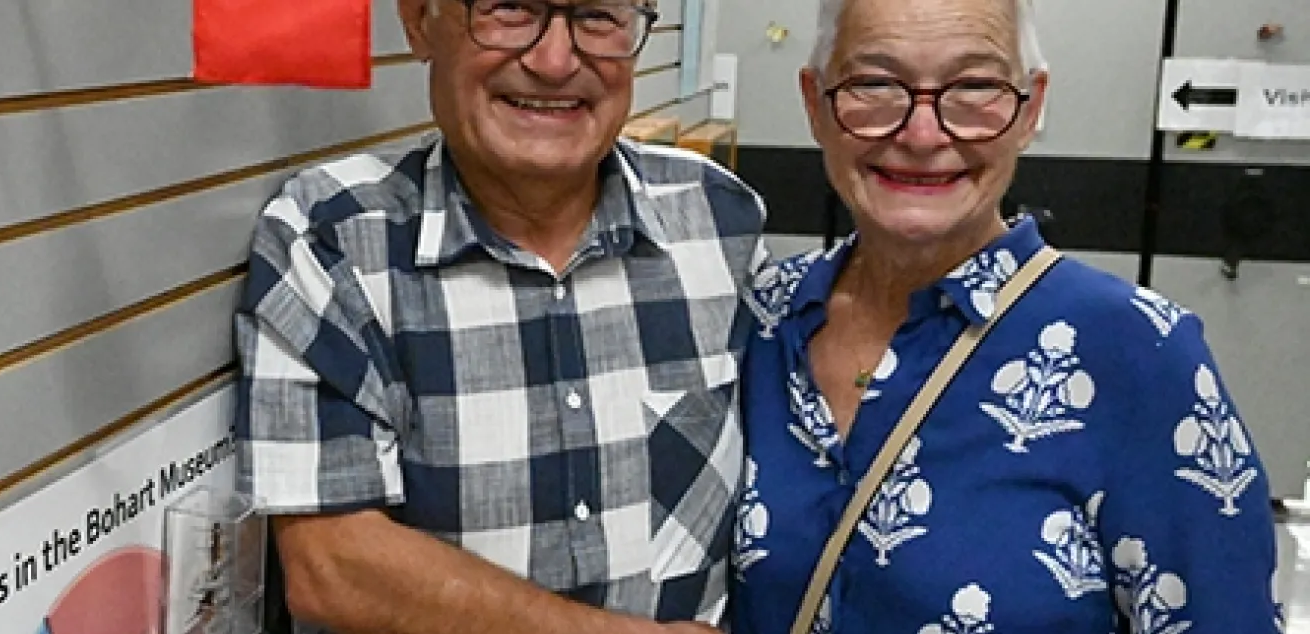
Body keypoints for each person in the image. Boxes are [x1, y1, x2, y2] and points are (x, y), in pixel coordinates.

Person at [728, 0, 1282, 632]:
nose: (922, 134)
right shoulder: (761, 319)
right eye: (875, 85)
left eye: (975, 88)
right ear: (815, 102)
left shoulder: (1138, 351)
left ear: (1031, 107)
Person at [229, 0, 769, 632]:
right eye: (508, 8)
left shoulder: (720, 221)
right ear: (417, 22)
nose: (554, 61)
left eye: (599, 15)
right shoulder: (331, 240)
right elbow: (334, 566)